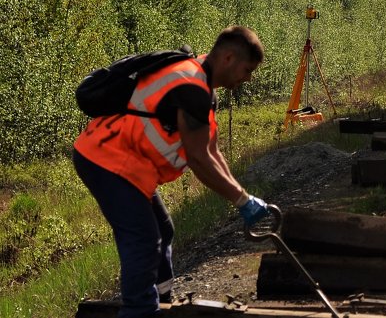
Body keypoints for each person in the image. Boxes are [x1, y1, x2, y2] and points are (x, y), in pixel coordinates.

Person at [73, 26, 273, 318]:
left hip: (130, 165)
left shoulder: (202, 86)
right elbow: (198, 158)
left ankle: (163, 299)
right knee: (142, 239)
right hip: (106, 160)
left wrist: (244, 195)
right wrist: (242, 201)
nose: (248, 78)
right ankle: (140, 310)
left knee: (163, 230)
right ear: (228, 58)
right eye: (247, 69)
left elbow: (212, 152)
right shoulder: (191, 87)